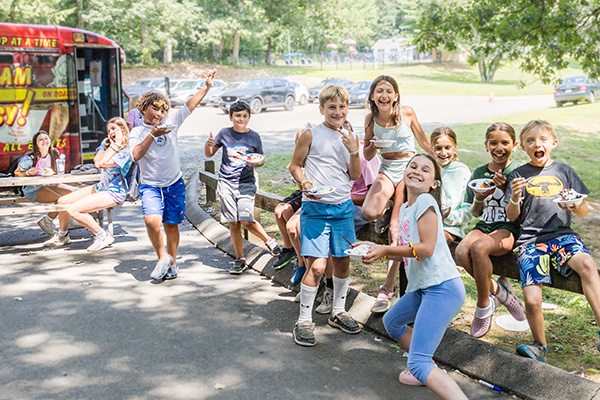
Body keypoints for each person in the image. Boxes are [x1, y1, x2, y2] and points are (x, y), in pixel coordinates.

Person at [358, 154, 467, 400]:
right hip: (423, 288)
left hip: (442, 288)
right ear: (404, 173)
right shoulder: (407, 207)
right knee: (392, 321)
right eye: (413, 166)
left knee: (417, 364)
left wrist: (386, 250)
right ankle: (427, 367)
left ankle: (423, 367)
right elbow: (408, 251)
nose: (417, 171)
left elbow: (426, 248)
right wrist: (368, 248)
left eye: (425, 170)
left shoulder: (426, 201)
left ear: (434, 183)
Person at [506, 119, 600, 362]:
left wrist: (575, 204)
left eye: (543, 139)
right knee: (532, 299)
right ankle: (539, 345)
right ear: (522, 147)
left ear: (553, 143)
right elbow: (512, 216)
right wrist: (515, 196)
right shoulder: (518, 175)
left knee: (588, 265)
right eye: (530, 140)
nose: (537, 144)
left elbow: (584, 211)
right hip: (530, 241)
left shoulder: (564, 171)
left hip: (563, 236)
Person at [288, 85, 362, 347]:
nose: (337, 111)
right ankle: (304, 320)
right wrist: (305, 185)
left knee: (342, 263)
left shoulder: (350, 136)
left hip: (342, 209)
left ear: (347, 109)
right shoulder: (310, 134)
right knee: (318, 266)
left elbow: (354, 175)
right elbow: (295, 166)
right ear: (321, 109)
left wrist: (354, 150)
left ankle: (338, 312)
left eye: (342, 107)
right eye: (332, 107)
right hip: (316, 209)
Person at [130, 69, 216, 281]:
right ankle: (162, 258)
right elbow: (136, 155)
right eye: (156, 108)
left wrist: (206, 86)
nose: (160, 113)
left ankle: (173, 263)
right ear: (143, 108)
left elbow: (190, 105)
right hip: (150, 186)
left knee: (171, 225)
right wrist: (152, 134)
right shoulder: (137, 132)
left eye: (164, 110)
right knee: (152, 221)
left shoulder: (172, 124)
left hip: (174, 184)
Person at [361, 75, 432, 314]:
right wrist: (373, 145)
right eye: (379, 91)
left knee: (395, 230)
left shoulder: (407, 113)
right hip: (387, 168)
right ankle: (392, 204)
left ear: (396, 95)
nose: (384, 95)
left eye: (388, 91)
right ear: (372, 96)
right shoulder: (370, 119)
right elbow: (369, 155)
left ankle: (387, 289)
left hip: (409, 169)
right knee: (369, 212)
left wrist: (441, 161)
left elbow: (423, 140)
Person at [454, 122, 526, 338]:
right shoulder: (479, 172)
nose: (499, 147)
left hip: (507, 229)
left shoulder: (519, 171)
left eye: (505, 143)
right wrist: (478, 198)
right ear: (486, 146)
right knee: (460, 252)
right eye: (493, 143)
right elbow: (476, 213)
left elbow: (520, 213)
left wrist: (506, 189)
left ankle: (484, 306)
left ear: (514, 145)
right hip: (484, 225)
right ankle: (500, 291)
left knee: (477, 248)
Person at [204, 101, 282, 274]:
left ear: (249, 117)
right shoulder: (224, 133)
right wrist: (208, 144)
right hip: (226, 183)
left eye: (244, 116)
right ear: (231, 117)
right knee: (234, 223)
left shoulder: (254, 137)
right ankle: (240, 259)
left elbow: (260, 159)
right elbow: (209, 153)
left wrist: (258, 162)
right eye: (237, 115)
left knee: (246, 219)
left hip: (245, 182)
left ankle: (269, 240)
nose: (241, 119)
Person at [44, 117, 133, 251]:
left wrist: (118, 144)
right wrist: (113, 145)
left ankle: (102, 236)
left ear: (123, 130)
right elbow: (97, 161)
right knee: (62, 202)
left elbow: (104, 162)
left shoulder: (127, 151)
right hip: (100, 187)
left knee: (73, 209)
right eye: (109, 130)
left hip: (114, 191)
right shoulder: (107, 143)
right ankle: (63, 236)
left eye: (114, 129)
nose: (111, 133)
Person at [14, 130, 75, 236]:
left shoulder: (54, 154)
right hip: (33, 189)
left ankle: (62, 219)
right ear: (36, 144)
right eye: (40, 140)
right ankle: (50, 221)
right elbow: (17, 173)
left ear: (50, 141)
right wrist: (28, 172)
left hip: (50, 185)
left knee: (75, 192)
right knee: (67, 196)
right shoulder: (30, 159)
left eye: (46, 138)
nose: (44, 141)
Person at [430, 127, 472, 244]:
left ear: (455, 147)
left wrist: (447, 217)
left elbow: (469, 209)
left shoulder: (462, 172)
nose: (443, 153)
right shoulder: (429, 169)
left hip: (450, 229)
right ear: (431, 148)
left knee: (435, 241)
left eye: (447, 148)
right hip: (426, 224)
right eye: (438, 148)